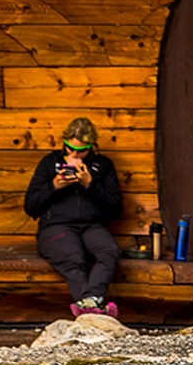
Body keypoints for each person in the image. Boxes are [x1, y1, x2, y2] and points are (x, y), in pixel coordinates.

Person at [23, 116, 123, 320]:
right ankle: (95, 309)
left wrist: (89, 184)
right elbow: (30, 206)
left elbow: (115, 208)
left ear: (92, 147)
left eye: (82, 150)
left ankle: (88, 306)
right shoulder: (50, 163)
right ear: (64, 142)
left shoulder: (102, 166)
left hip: (91, 226)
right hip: (55, 227)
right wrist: (54, 186)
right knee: (73, 258)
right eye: (70, 148)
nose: (74, 154)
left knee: (109, 250)